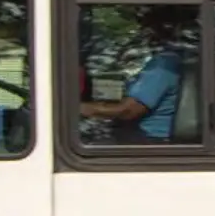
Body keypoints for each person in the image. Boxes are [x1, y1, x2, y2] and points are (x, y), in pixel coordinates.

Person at [78, 8, 192, 142]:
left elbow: (128, 111)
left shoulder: (163, 66)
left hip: (148, 139)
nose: (142, 33)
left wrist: (83, 108)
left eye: (146, 27)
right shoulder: (179, 59)